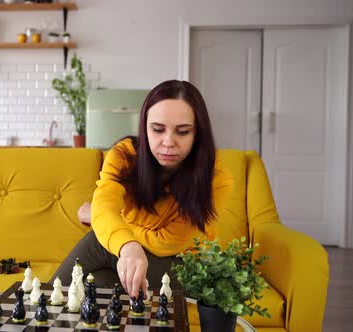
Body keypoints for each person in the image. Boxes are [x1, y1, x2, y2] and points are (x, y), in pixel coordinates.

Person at [51, 80, 233, 299]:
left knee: (97, 243)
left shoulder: (216, 179)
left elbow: (166, 243)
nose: (168, 142)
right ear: (144, 127)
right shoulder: (124, 155)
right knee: (97, 282)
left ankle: (37, 312)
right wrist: (125, 243)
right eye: (157, 130)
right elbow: (105, 204)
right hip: (142, 265)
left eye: (182, 132)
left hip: (188, 270)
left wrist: (114, 231)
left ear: (198, 134)